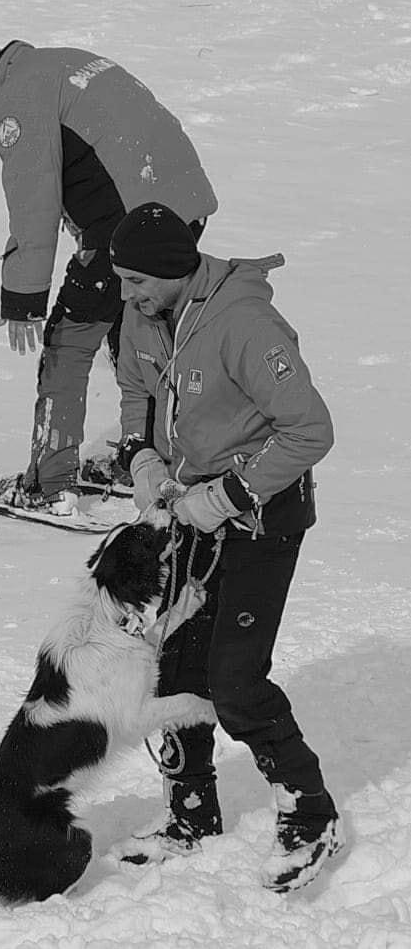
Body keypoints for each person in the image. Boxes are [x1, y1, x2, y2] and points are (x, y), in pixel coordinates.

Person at [110, 202, 345, 892]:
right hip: (185, 512)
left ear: (173, 270)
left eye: (136, 280)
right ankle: (191, 815)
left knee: (235, 682)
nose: (126, 294)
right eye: (122, 280)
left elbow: (310, 430)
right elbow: (135, 390)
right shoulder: (144, 312)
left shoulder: (244, 323)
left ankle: (310, 812)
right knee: (174, 671)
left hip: (259, 520)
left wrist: (227, 496)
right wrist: (142, 458)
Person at [0, 34, 217, 514]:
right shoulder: (57, 63)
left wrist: (23, 298)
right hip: (180, 210)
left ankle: (49, 485)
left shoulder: (14, 102)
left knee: (68, 341)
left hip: (130, 229)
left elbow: (33, 202)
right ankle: (143, 461)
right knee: (135, 336)